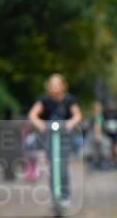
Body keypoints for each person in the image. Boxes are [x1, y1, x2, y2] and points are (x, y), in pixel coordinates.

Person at [27, 73, 82, 209]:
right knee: (53, 166)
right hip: (50, 136)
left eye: (57, 84)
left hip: (65, 136)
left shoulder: (69, 100)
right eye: (52, 84)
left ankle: (65, 196)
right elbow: (33, 114)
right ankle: (54, 197)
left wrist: (70, 123)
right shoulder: (44, 100)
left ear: (63, 85)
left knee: (62, 166)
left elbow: (77, 115)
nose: (55, 87)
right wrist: (40, 124)